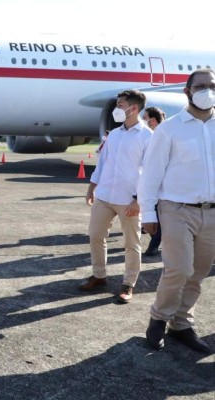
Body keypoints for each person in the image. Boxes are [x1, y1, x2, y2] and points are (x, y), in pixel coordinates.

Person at [140, 68, 215, 354]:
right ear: (187, 91)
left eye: (212, 86)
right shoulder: (170, 128)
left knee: (198, 272)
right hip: (176, 209)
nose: (208, 91)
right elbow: (150, 174)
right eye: (201, 86)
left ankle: (182, 324)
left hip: (211, 211)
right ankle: (159, 319)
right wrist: (148, 213)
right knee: (179, 268)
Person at [79, 90, 152, 304]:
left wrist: (138, 200)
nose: (116, 109)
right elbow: (102, 163)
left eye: (120, 105)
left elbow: (150, 171)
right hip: (105, 195)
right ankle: (99, 276)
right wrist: (92, 187)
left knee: (131, 243)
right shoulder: (115, 134)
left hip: (129, 199)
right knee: (95, 235)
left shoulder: (147, 136)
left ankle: (128, 284)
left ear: (134, 108)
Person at [141, 106, 166, 257]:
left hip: (163, 187)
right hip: (153, 185)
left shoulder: (162, 136)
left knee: (158, 217)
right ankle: (155, 242)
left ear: (153, 120)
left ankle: (154, 244)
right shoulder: (153, 135)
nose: (143, 121)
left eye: (145, 118)